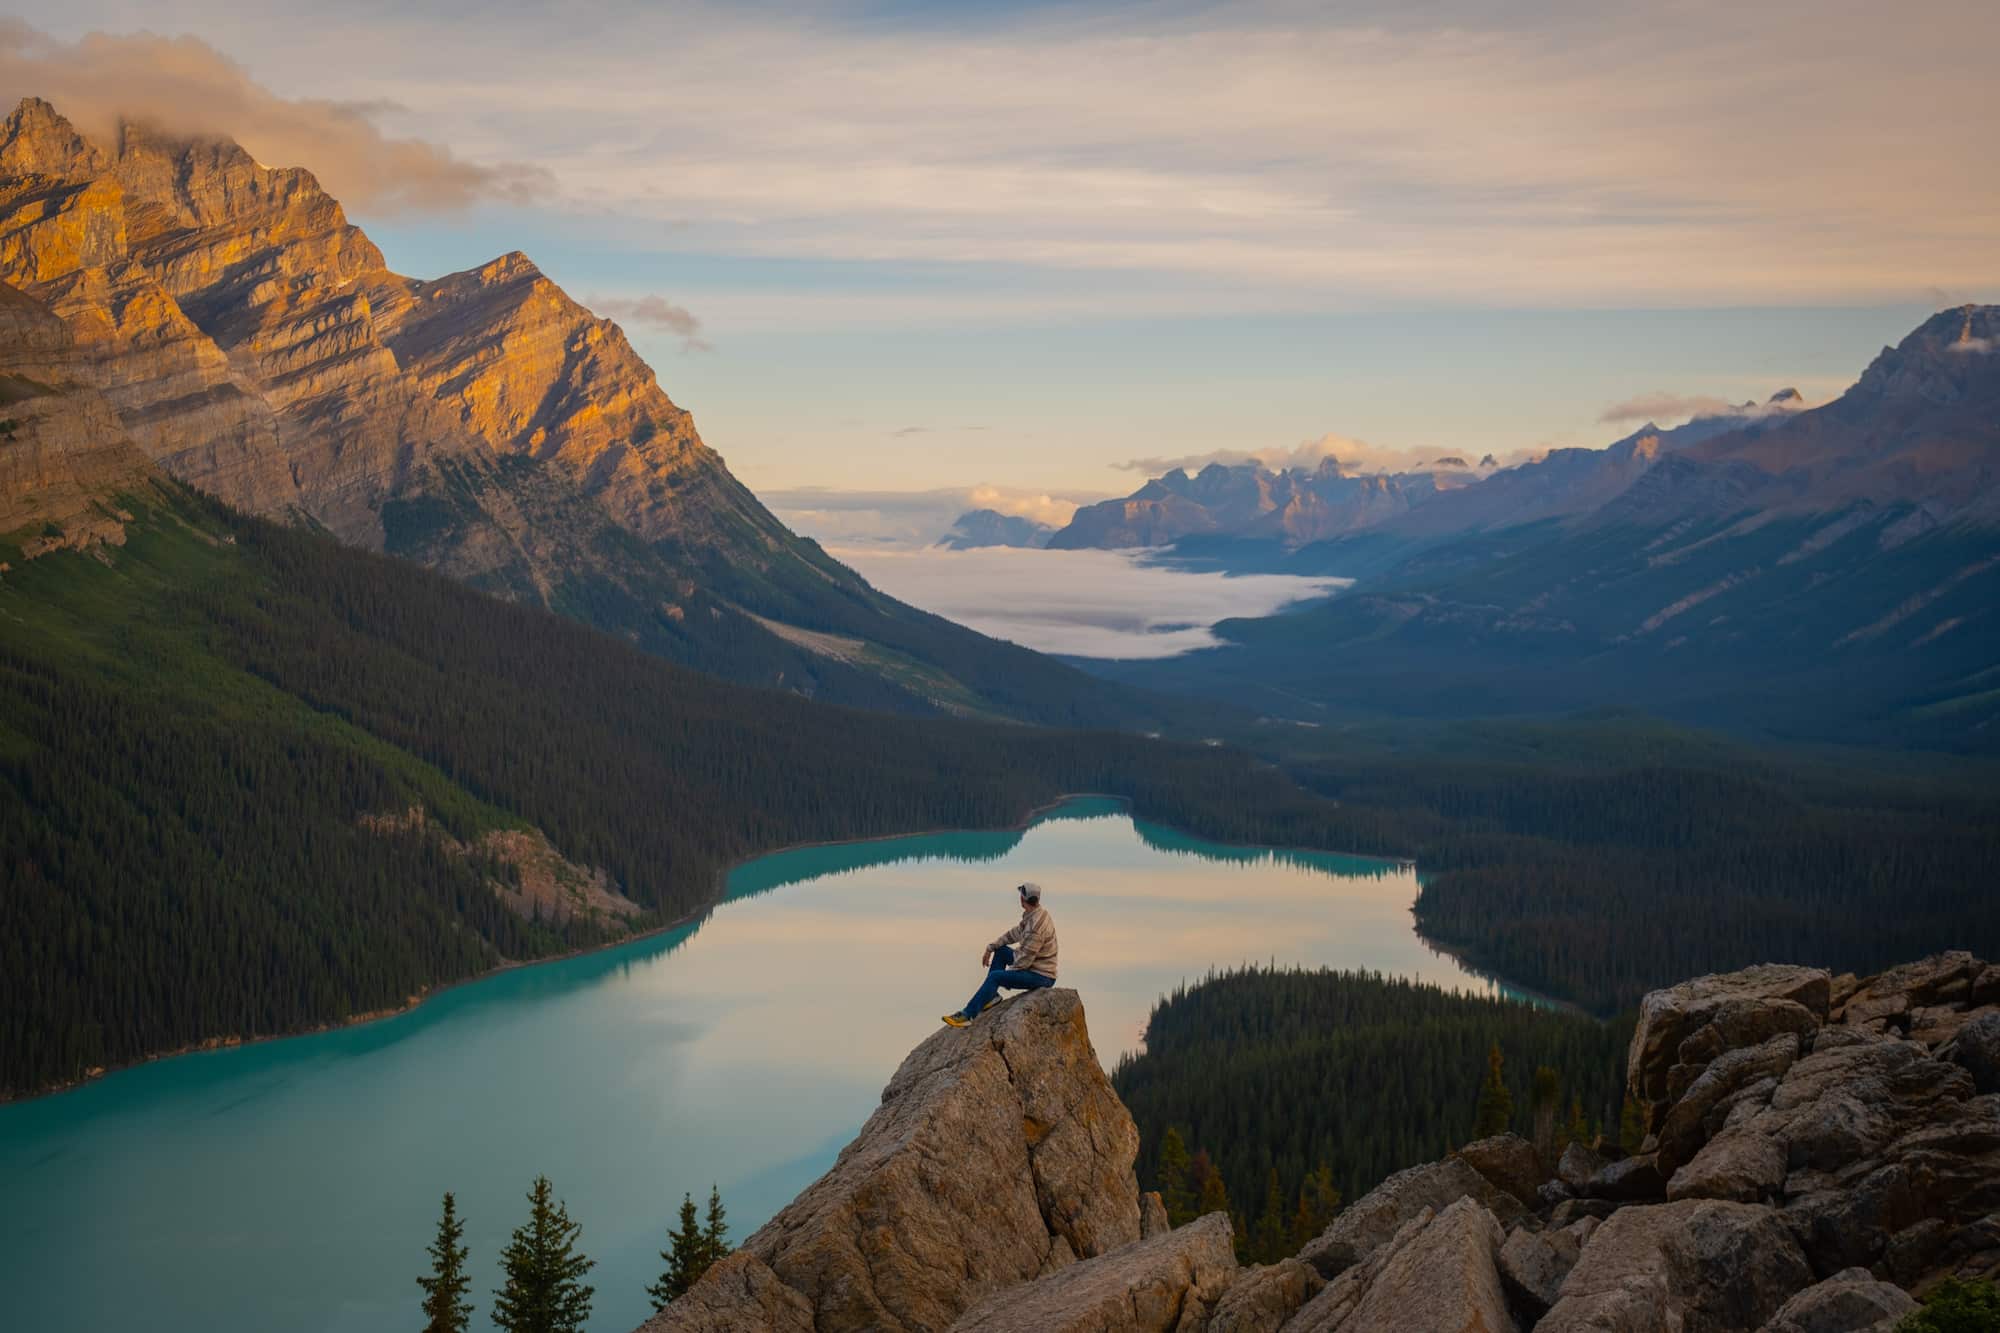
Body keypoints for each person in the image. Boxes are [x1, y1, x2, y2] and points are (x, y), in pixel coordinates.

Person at [941, 882, 1058, 1027]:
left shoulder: (1036, 927)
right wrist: (991, 947)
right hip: (1033, 966)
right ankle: (991, 997)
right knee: (1001, 951)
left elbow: (1024, 962)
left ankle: (967, 1015)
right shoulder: (1036, 915)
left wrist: (1005, 978)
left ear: (1022, 899)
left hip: (1042, 976)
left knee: (995, 977)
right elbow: (1015, 934)